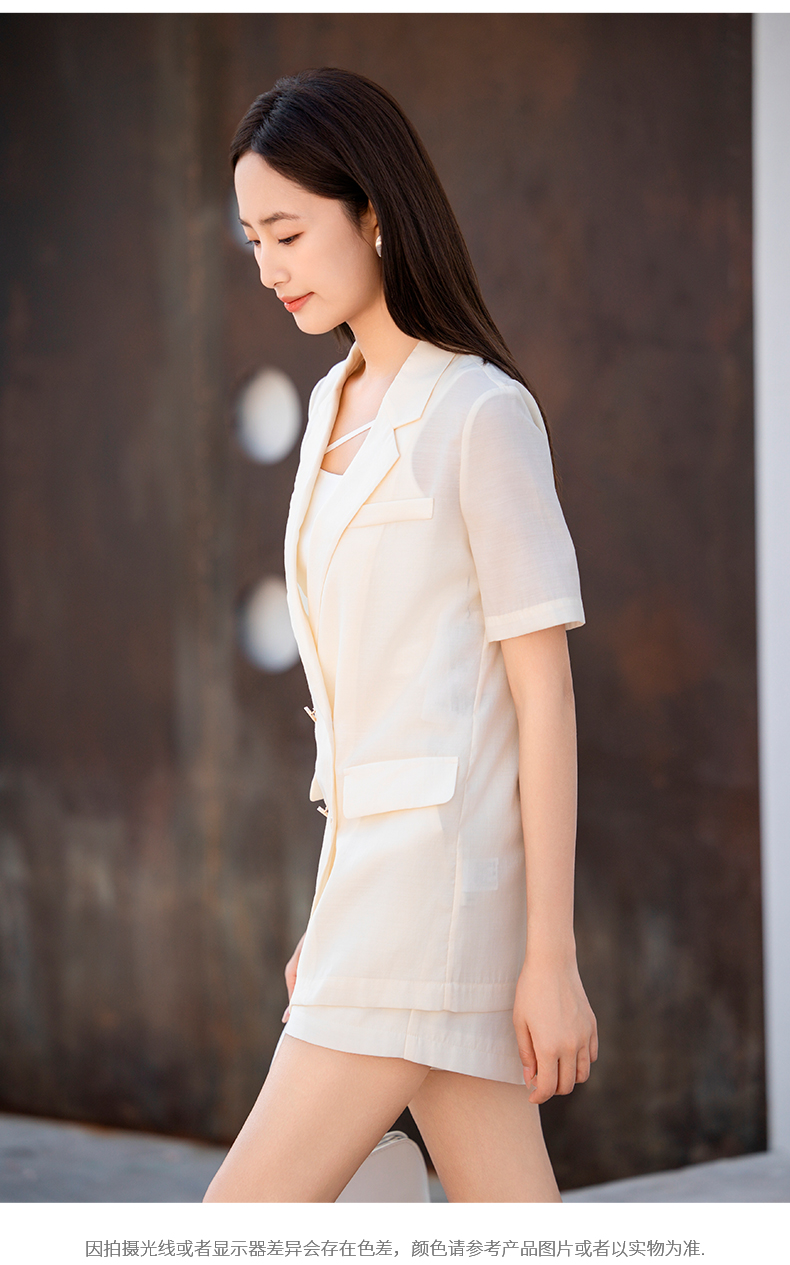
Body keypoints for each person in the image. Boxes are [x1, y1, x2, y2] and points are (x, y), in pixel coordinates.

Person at [205, 67, 597, 1204]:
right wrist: (331, 907)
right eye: (253, 240)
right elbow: (368, 713)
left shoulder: (480, 413)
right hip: (373, 897)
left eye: (289, 232)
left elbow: (542, 695)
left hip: (430, 903)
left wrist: (551, 958)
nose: (269, 266)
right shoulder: (328, 406)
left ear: (372, 211)